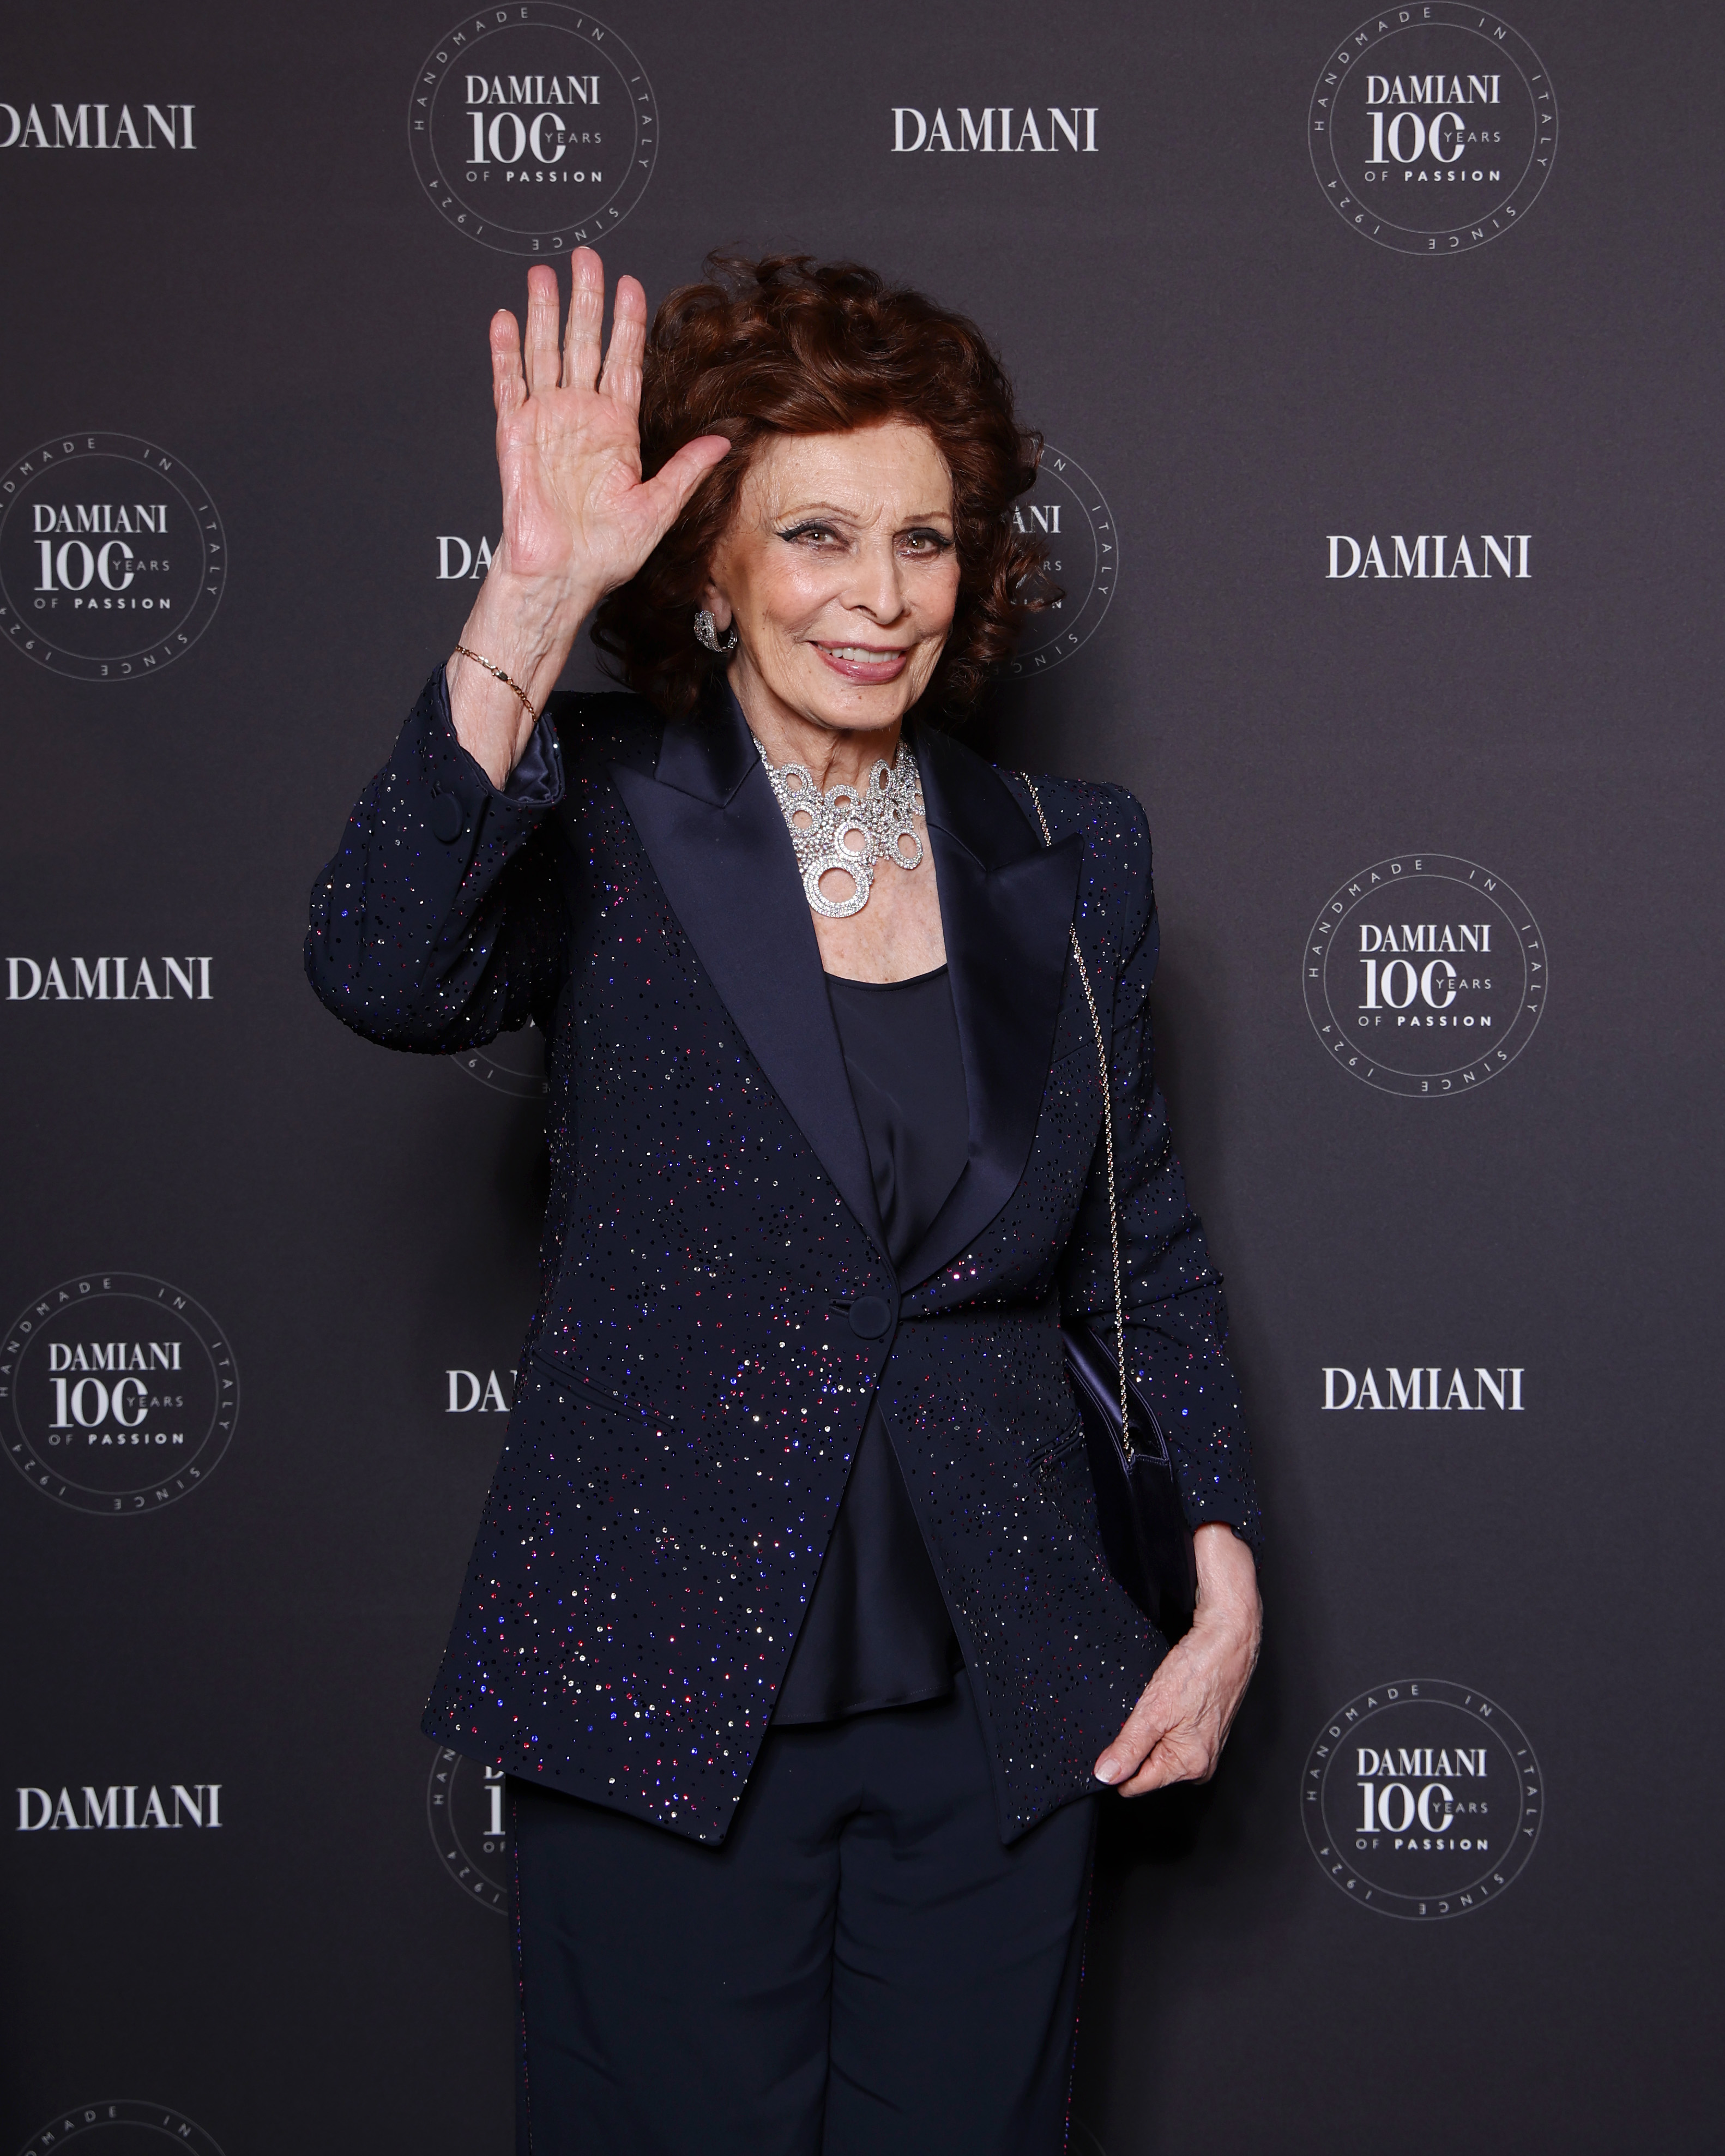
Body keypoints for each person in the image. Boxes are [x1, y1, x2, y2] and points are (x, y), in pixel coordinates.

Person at [306, 249, 1262, 2156]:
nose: (879, 594)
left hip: (1008, 1676)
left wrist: (1219, 1565)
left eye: (922, 540)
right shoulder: (597, 804)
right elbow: (380, 965)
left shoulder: (1067, 856)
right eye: (816, 534)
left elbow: (1131, 1237)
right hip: (662, 1665)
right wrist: (531, 590)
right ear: (713, 570)